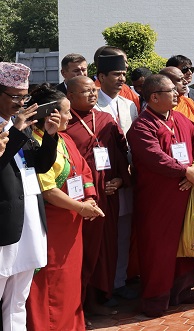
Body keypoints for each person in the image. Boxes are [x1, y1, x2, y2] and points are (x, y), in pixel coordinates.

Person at [126, 74, 194, 318]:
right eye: (171, 90)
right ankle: (155, 299)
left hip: (186, 192)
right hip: (158, 199)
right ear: (154, 97)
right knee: (158, 249)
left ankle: (180, 292)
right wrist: (186, 171)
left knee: (185, 244)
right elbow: (154, 157)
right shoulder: (141, 126)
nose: (177, 93)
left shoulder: (182, 119)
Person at [25, 84, 105, 331]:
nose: (70, 118)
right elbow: (47, 189)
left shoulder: (66, 138)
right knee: (51, 280)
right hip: (52, 223)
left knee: (71, 278)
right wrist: (80, 208)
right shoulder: (33, 143)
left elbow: (84, 171)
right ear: (51, 115)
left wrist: (89, 197)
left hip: (73, 221)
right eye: (67, 113)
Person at [0, 63, 59, 331]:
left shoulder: (19, 125)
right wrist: (13, 132)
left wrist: (49, 136)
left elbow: (40, 165)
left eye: (23, 97)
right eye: (14, 96)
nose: (20, 102)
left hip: (29, 221)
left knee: (18, 298)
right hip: (4, 224)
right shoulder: (15, 127)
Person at [64, 76, 130, 317]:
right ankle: (82, 302)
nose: (93, 95)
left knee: (107, 246)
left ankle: (102, 294)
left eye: (94, 91)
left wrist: (121, 179)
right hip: (79, 196)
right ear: (70, 96)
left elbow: (122, 153)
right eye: (86, 91)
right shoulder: (65, 122)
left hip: (107, 192)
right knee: (86, 249)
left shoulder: (106, 120)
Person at [92, 51, 139, 301]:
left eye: (123, 74)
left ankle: (119, 282)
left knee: (123, 231)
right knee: (103, 235)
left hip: (127, 177)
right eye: (115, 74)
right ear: (101, 77)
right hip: (103, 179)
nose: (121, 79)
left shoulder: (128, 104)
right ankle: (101, 286)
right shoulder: (93, 104)